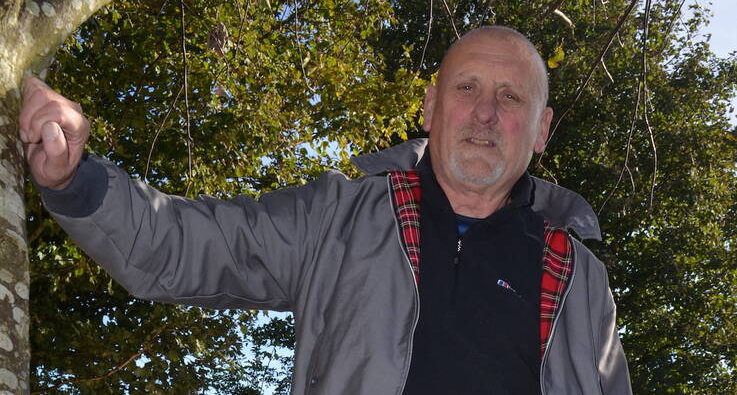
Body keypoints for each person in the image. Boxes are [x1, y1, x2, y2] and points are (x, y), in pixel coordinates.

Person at [21, 26, 632, 394]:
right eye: (466, 88)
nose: (484, 113)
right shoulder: (339, 218)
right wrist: (76, 178)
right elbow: (185, 245)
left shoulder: (579, 277)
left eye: (510, 97)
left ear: (542, 129)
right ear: (429, 107)